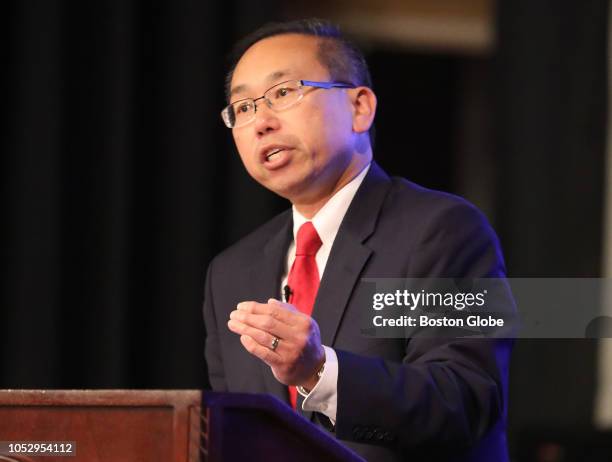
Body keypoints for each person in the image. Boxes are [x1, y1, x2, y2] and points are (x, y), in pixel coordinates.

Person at [203, 18, 513, 462]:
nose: (261, 122)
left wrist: (319, 371)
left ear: (359, 107)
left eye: (283, 93)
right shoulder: (232, 271)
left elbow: (463, 402)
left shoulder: (442, 230)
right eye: (243, 108)